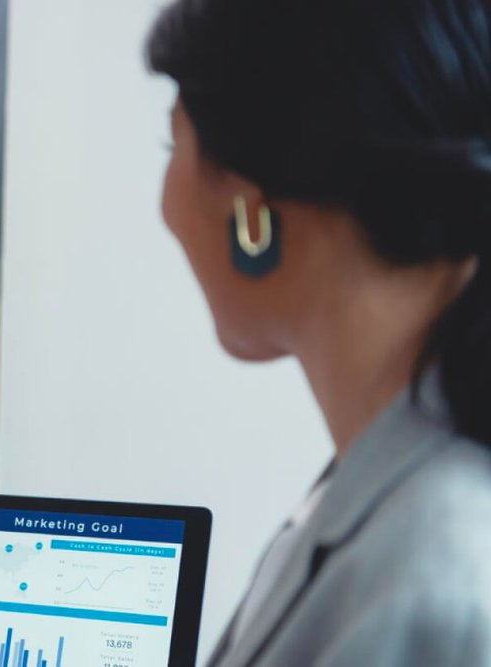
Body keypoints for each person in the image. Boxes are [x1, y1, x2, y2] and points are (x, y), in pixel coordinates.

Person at [147, 0, 491, 664]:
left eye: (173, 145)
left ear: (249, 205)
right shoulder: (367, 491)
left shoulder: (434, 588)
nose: (165, 208)